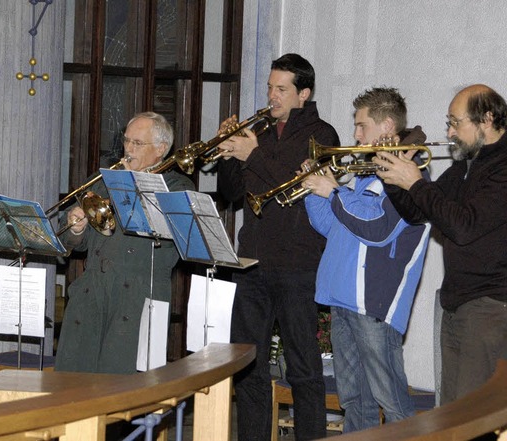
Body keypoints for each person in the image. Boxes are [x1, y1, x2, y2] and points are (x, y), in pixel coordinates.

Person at [216, 53, 340, 441]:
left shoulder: (323, 136)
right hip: (252, 261)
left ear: (304, 94)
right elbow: (230, 193)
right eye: (270, 87)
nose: (272, 95)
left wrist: (252, 154)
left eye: (281, 89)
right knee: (249, 368)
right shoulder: (263, 133)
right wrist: (229, 153)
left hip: (298, 265)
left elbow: (293, 187)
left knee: (304, 371)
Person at [302, 87, 430, 432]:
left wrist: (334, 191)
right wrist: (314, 190)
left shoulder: (407, 173)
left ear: (387, 126)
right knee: (354, 400)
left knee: (391, 401)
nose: (355, 135)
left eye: (361, 126)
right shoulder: (365, 172)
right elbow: (334, 226)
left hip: (373, 302)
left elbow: (378, 230)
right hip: (342, 298)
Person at [375, 84, 507, 405]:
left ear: (486, 120)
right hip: (457, 303)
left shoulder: (502, 168)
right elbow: (418, 212)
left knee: (472, 415)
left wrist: (416, 181)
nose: (449, 131)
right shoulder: (467, 164)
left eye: (455, 122)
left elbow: (463, 226)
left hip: (489, 306)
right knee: (451, 410)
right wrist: (392, 177)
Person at [55, 112, 194, 375]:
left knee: (122, 385)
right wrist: (75, 225)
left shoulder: (176, 187)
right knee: (73, 382)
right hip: (92, 293)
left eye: (137, 143)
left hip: (137, 297)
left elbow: (177, 243)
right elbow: (74, 242)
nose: (128, 149)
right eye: (127, 141)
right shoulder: (103, 180)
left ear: (161, 149)